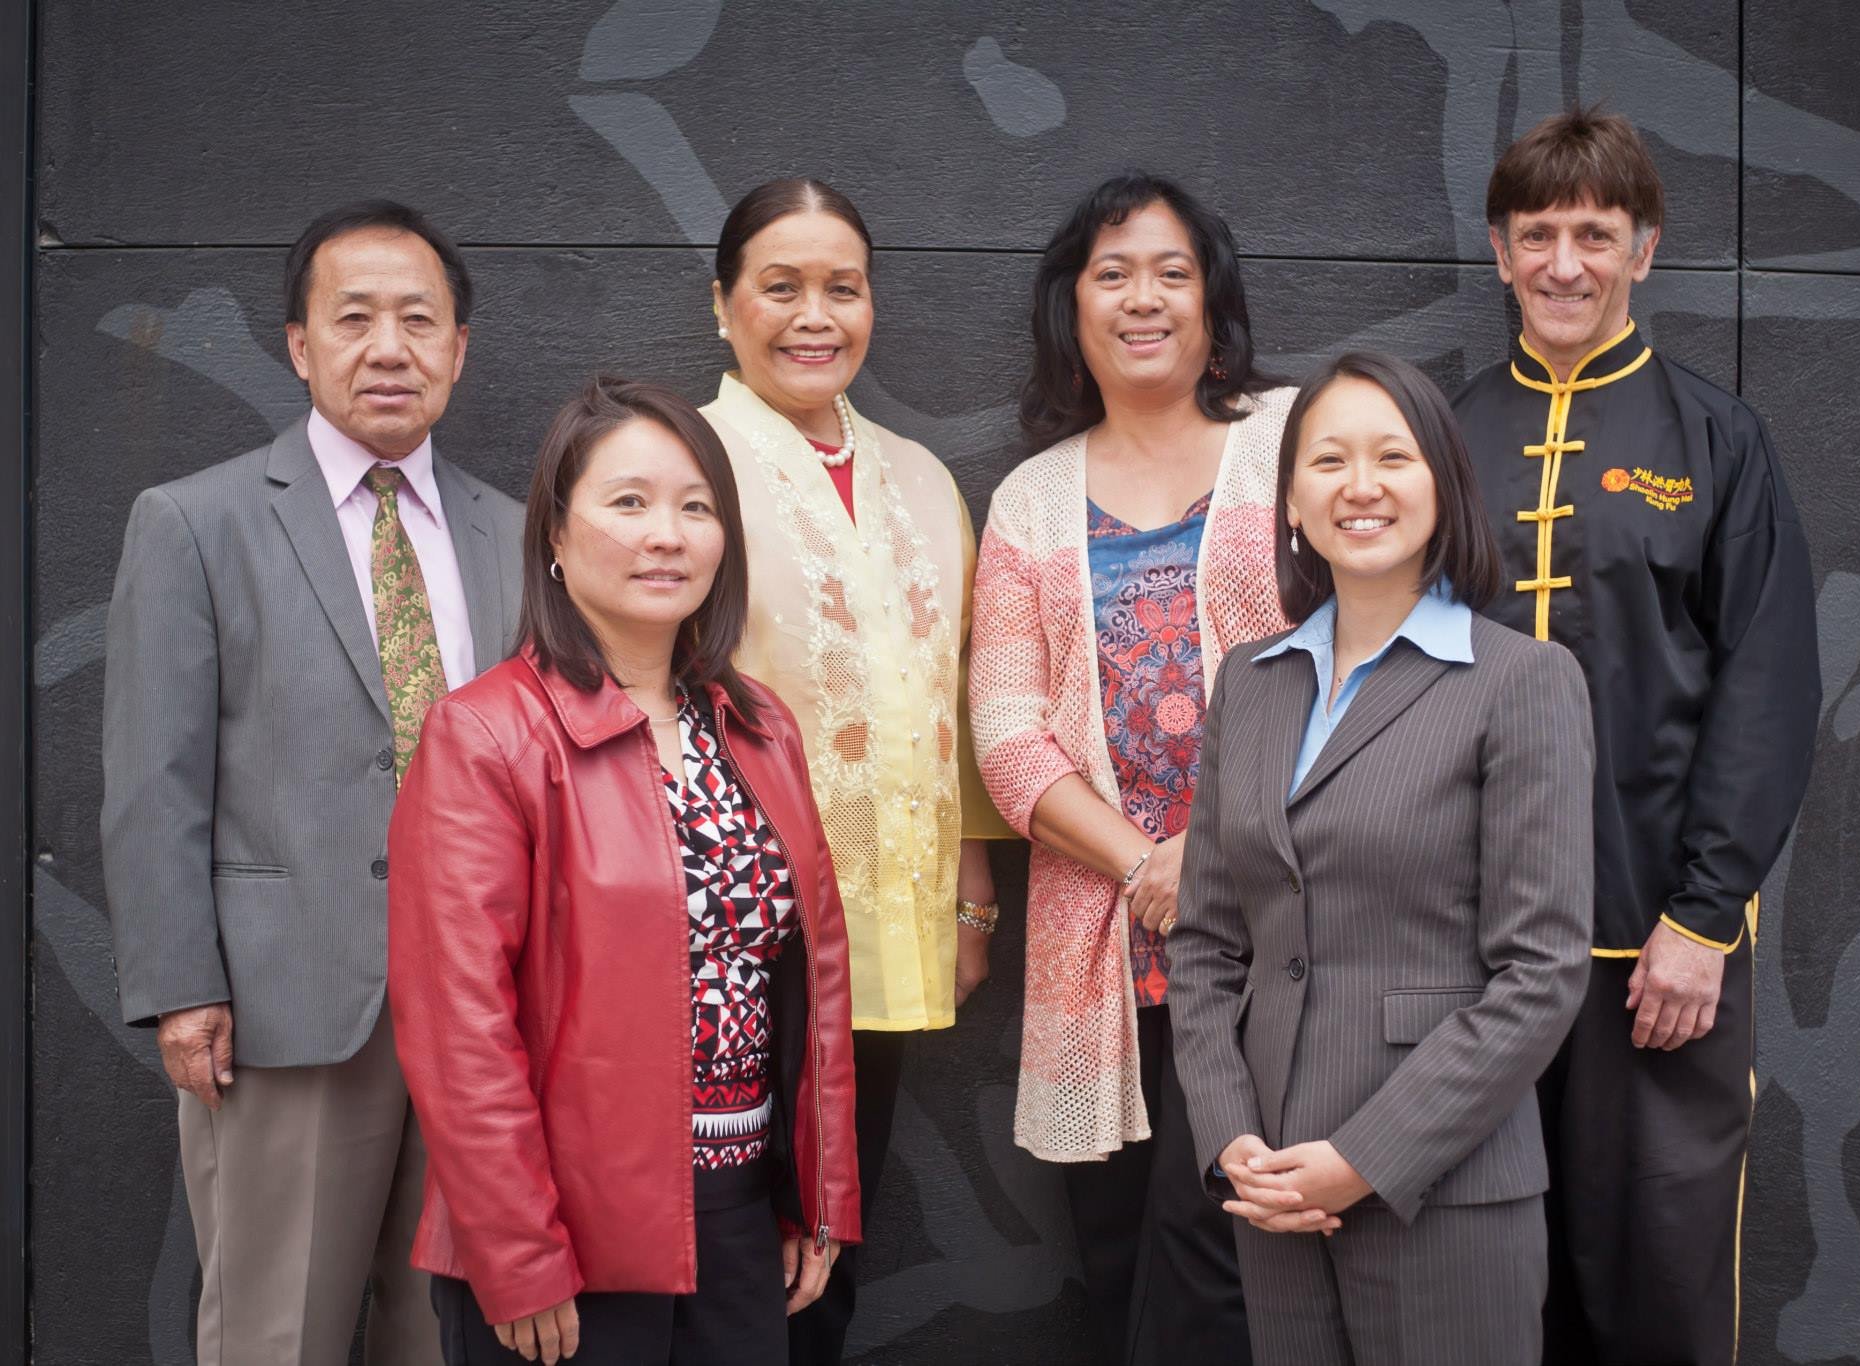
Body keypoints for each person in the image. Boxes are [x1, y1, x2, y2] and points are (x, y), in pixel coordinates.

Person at [100, 200, 523, 1365]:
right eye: (353, 319)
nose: (388, 348)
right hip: (284, 1008)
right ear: (298, 344)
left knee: (447, 1336)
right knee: (275, 1334)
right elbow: (153, 777)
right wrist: (181, 986)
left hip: (483, 1012)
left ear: (458, 349)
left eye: (418, 321)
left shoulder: (512, 532)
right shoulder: (195, 522)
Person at [386, 377, 860, 1365]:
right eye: (630, 502)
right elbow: (457, 1025)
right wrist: (517, 1252)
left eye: (696, 507)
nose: (667, 536)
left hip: (740, 1219)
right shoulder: (486, 734)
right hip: (567, 1235)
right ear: (556, 535)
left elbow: (812, 978)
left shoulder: (759, 726)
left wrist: (813, 1198)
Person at [1452, 106, 1822, 1366]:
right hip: (1470, 947)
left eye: (1593, 235)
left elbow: (1766, 688)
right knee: (1491, 1279)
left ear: (1643, 250)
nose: (1563, 264)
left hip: (1654, 953)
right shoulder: (1443, 437)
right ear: (1498, 252)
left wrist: (1703, 920)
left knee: (1657, 1275)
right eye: (1536, 234)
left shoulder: (1716, 438)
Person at [1168, 351, 1595, 1365]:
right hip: (1273, 1187)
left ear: (1443, 485)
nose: (1358, 486)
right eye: (1327, 461)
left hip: (1445, 1192)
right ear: (1290, 502)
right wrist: (1230, 1139)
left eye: (1392, 457)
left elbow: (1540, 971)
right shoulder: (1250, 683)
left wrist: (1363, 1159)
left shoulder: (1521, 681)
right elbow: (1204, 944)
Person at [969, 172, 1293, 1366]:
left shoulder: (1293, 443)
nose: (1141, 298)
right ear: (1071, 304)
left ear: (1213, 299)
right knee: (1125, 1273)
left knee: (1261, 1265)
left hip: (1280, 936)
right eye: (1111, 274)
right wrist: (1149, 866)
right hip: (1101, 952)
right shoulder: (1028, 500)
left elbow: (1362, 668)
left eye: (1171, 271)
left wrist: (1211, 856)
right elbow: (1006, 735)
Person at [697, 177, 1010, 1364]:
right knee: (729, 1244)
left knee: (830, 1243)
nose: (813, 316)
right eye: (779, 287)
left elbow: (957, 693)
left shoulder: (920, 477)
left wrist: (970, 895)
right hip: (728, 934)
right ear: (722, 303)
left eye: (843, 287)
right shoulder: (684, 460)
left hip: (883, 930)